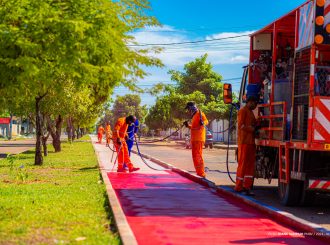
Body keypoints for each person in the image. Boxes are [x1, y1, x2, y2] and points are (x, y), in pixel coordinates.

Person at [234, 96, 258, 196]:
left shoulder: (250, 112)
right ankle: (239, 186)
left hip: (251, 142)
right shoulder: (243, 111)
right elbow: (241, 126)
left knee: (250, 166)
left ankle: (247, 186)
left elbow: (252, 123)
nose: (255, 106)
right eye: (254, 103)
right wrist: (253, 129)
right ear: (249, 102)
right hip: (244, 142)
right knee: (243, 165)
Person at [183, 102, 209, 178]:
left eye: (188, 109)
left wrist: (202, 122)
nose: (188, 111)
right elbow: (194, 127)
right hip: (194, 139)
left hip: (199, 138)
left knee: (198, 156)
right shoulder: (194, 116)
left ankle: (202, 174)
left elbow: (206, 121)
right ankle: (199, 173)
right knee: (195, 157)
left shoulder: (200, 113)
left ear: (191, 108)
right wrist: (188, 126)